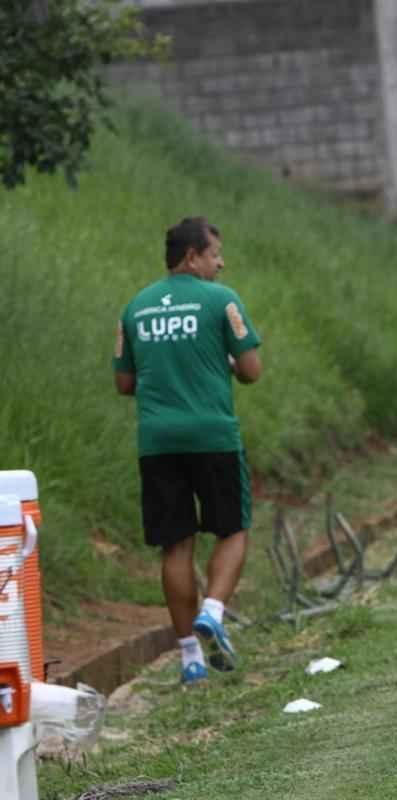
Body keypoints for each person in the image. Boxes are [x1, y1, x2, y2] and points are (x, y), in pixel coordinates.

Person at [113, 217, 262, 685]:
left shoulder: (135, 307)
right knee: (233, 530)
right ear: (192, 256)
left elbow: (124, 383)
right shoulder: (222, 300)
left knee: (175, 544)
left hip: (158, 442)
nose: (221, 262)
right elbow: (252, 370)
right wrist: (228, 362)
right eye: (215, 253)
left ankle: (189, 658)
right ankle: (214, 612)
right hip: (213, 436)